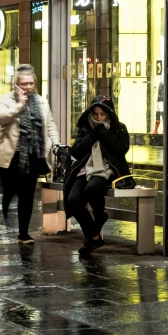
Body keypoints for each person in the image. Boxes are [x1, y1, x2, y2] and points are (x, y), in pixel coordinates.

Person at [0, 64, 60, 244]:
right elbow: (0, 118)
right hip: (11, 155)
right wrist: (20, 106)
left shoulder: (41, 101)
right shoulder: (6, 99)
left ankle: (24, 233)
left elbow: (49, 124)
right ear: (16, 84)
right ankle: (4, 215)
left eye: (31, 83)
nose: (27, 87)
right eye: (23, 83)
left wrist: (56, 144)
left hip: (33, 154)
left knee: (27, 194)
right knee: (11, 190)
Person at [64, 96, 132, 255]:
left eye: (102, 114)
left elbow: (121, 150)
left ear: (109, 114)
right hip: (85, 169)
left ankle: (98, 219)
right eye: (96, 114)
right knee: (73, 200)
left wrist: (105, 134)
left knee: (92, 189)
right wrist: (93, 135)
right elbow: (76, 152)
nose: (99, 118)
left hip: (107, 169)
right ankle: (94, 236)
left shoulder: (118, 128)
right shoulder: (86, 127)